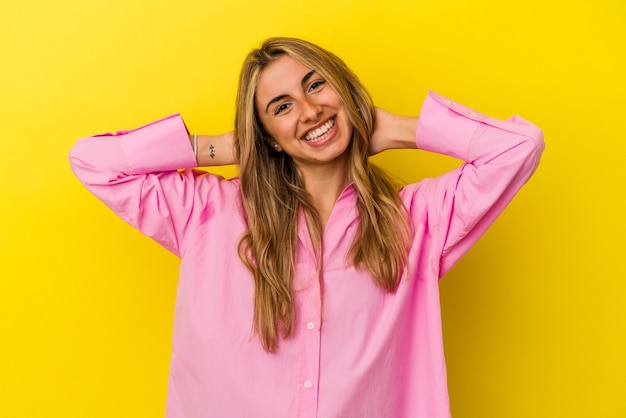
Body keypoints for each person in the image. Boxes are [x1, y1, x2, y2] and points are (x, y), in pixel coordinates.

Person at [69, 37, 544, 418]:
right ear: (265, 134)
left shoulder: (418, 219)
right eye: (281, 107)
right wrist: (225, 147)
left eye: (316, 85)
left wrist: (396, 129)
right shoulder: (206, 211)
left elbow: (520, 147)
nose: (310, 110)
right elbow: (91, 161)